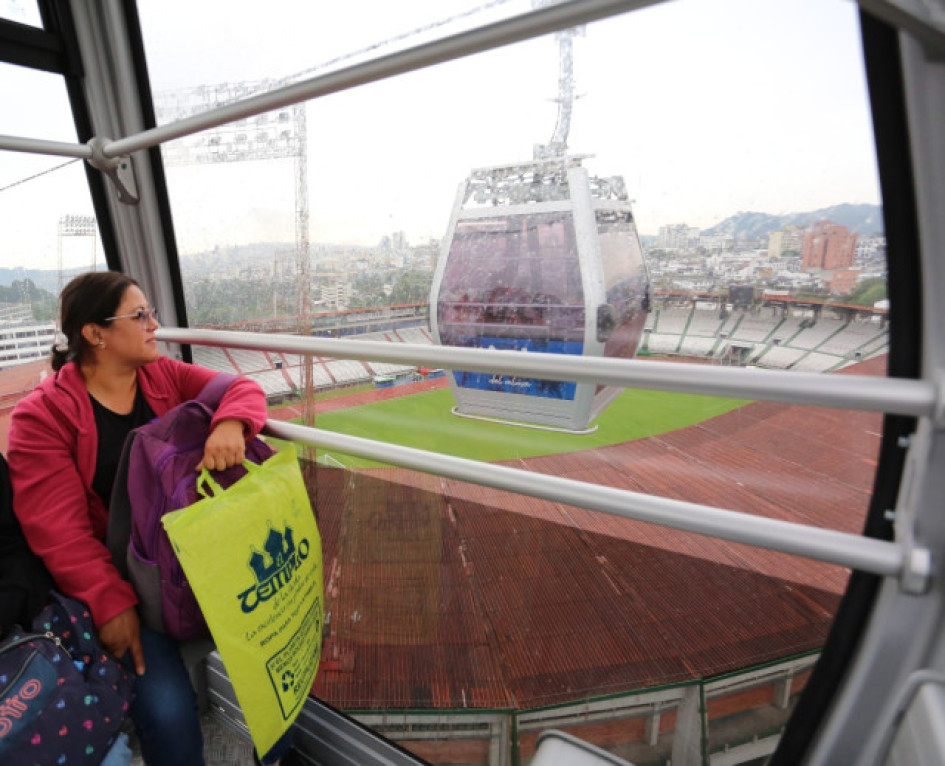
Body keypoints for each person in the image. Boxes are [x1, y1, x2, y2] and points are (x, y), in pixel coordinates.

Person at [7, 271, 292, 766]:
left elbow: (240, 387)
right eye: (140, 315)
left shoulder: (163, 377)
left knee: (275, 666)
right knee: (166, 712)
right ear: (95, 334)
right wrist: (112, 604)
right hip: (124, 584)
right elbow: (60, 532)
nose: (154, 325)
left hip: (196, 559)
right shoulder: (43, 418)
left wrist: (230, 423)